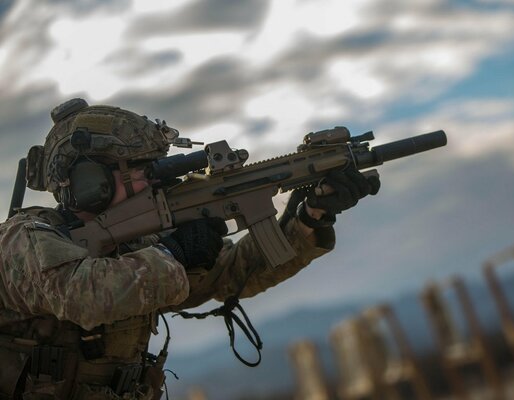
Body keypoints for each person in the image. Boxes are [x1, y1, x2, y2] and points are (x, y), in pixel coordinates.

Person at [0, 98, 380, 399]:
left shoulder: (137, 248)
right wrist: (174, 253)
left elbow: (232, 275)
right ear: (88, 181)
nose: (153, 183)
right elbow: (84, 295)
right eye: (140, 170)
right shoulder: (24, 239)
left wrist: (309, 219)